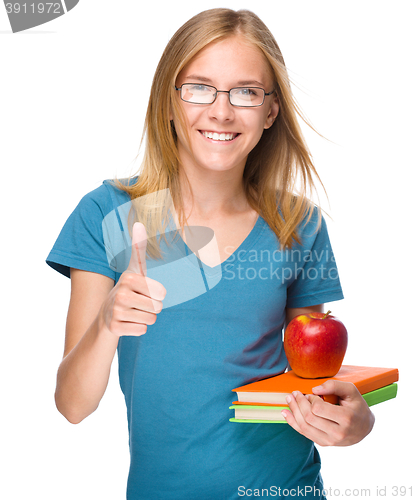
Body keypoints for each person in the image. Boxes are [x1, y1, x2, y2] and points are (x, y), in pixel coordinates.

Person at [47, 8, 374, 499]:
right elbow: (72, 406)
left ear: (270, 111)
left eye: (246, 92)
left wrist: (353, 423)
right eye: (199, 88)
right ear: (168, 102)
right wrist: (109, 321)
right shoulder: (108, 213)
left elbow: (312, 375)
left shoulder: (298, 223)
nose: (221, 112)